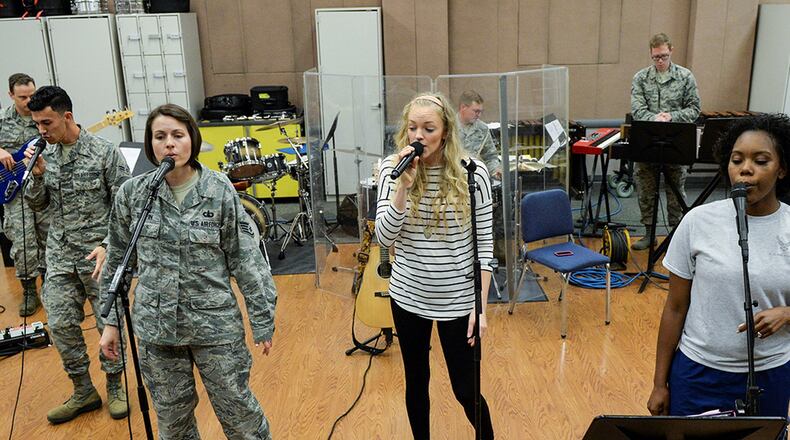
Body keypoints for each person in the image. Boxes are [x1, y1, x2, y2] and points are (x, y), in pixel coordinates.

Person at [99, 103, 277, 439]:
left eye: (177, 135)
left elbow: (246, 259)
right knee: (173, 424)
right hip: (157, 332)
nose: (169, 143)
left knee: (240, 416)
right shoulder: (133, 194)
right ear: (150, 145)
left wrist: (262, 319)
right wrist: (110, 325)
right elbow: (118, 262)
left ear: (191, 140)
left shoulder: (218, 189)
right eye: (160, 136)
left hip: (215, 329)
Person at [647, 113, 790, 418]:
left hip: (770, 373)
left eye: (761, 161)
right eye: (737, 160)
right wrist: (660, 383)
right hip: (698, 373)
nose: (746, 170)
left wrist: (787, 313)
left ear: (782, 169)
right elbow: (675, 307)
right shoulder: (698, 221)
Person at [376, 92, 495, 439]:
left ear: (445, 132)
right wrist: (402, 189)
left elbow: (485, 247)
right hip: (409, 296)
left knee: (466, 390)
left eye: (428, 128)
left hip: (459, 301)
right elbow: (384, 238)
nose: (418, 136)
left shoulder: (474, 174)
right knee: (417, 383)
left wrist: (481, 306)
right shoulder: (392, 169)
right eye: (412, 128)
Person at [24, 85, 131, 423]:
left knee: (107, 324)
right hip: (59, 256)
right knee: (60, 324)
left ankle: (115, 384)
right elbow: (37, 204)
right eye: (37, 125)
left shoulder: (104, 153)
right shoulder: (45, 154)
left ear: (67, 116)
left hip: (98, 256)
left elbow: (125, 208)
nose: (41, 131)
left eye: (47, 123)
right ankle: (83, 389)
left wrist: (108, 245)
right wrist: (37, 178)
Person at [630, 32, 701, 250]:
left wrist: (672, 116)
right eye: (655, 57)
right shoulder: (641, 78)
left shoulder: (685, 76)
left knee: (675, 191)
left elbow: (694, 108)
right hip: (648, 144)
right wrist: (655, 118)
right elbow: (637, 110)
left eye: (663, 56)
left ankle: (675, 236)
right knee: (645, 189)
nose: (660, 61)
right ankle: (649, 234)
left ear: (671, 50)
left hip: (675, 145)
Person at [0, 73, 50, 316]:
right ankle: (30, 290)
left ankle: (52, 286)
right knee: (22, 241)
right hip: (13, 189)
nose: (29, 101)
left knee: (48, 235)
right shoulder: (1, 119)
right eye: (22, 97)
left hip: (40, 183)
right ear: (11, 95)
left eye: (32, 95)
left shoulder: (43, 117)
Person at [457, 90, 502, 180]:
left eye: (481, 111)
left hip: (474, 178)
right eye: (476, 111)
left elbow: (490, 156)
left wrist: (495, 170)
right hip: (452, 177)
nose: (479, 115)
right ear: (463, 107)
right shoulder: (448, 126)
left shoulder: (482, 128)